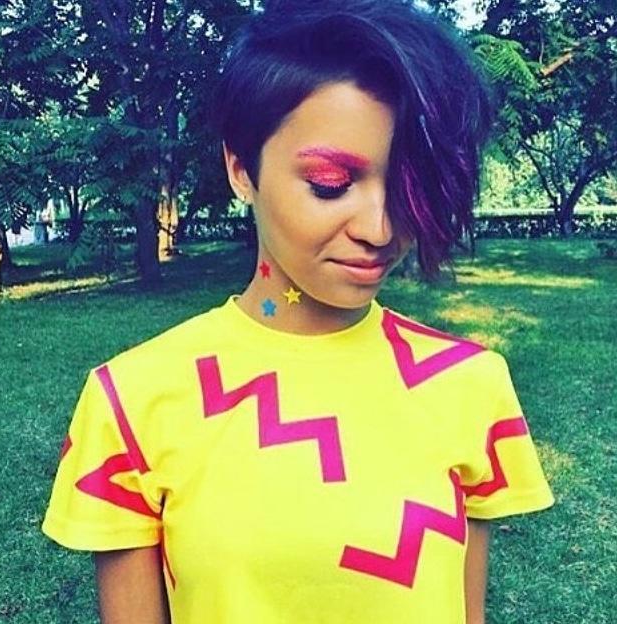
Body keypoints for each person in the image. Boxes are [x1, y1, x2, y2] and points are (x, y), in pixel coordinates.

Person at [41, 1, 555, 622]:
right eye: (330, 184)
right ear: (241, 169)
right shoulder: (131, 401)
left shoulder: (471, 384)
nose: (379, 228)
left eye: (409, 187)